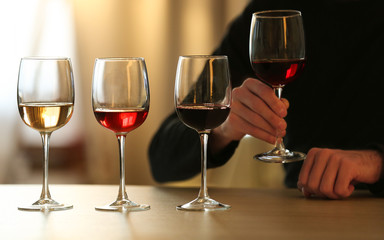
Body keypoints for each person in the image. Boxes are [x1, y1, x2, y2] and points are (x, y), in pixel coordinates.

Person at [148, 0, 384, 199]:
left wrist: (377, 162)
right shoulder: (270, 11)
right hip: (302, 208)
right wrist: (220, 126)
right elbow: (162, 158)